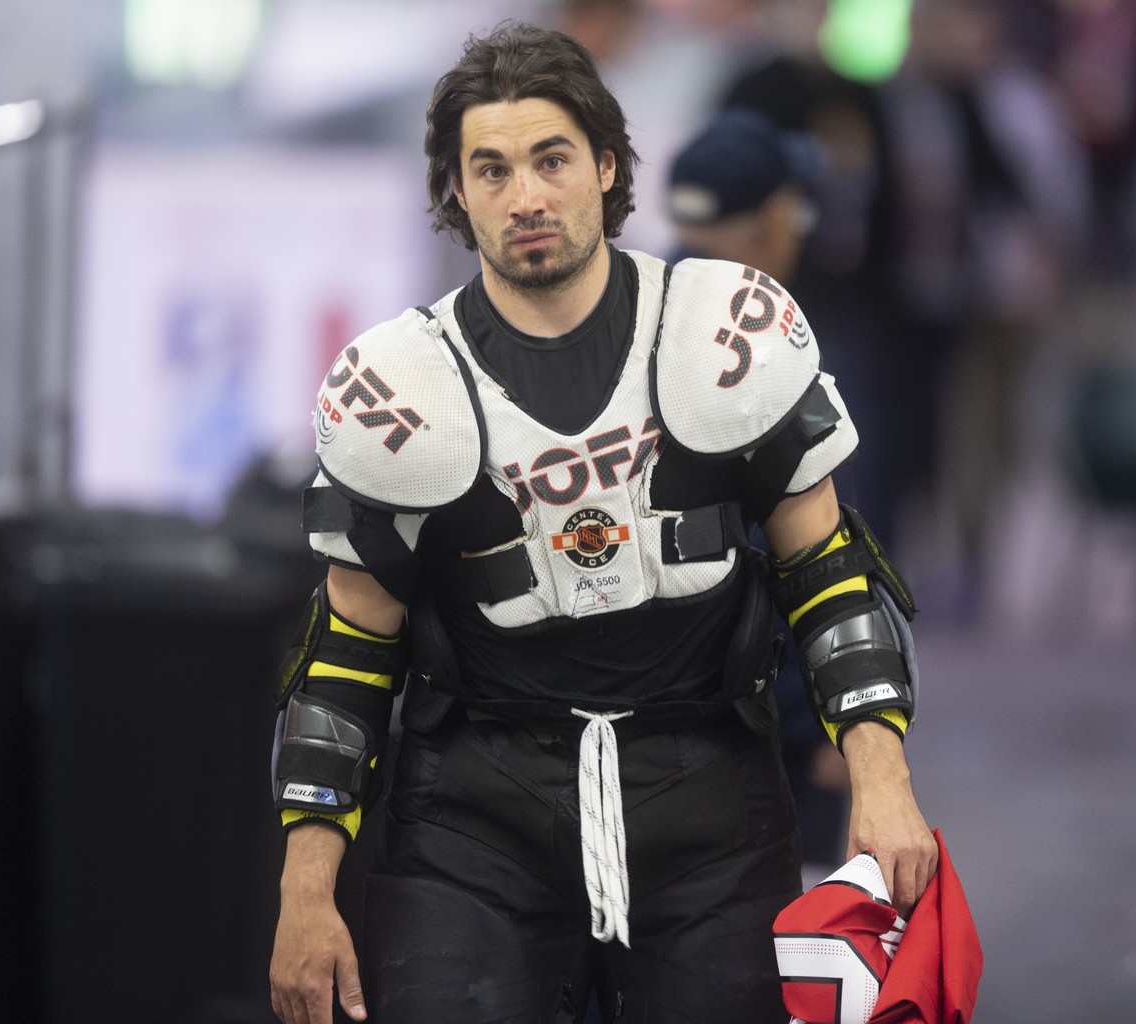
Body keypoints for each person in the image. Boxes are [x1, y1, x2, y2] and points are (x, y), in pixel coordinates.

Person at [268, 22, 938, 1024]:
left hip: (708, 800)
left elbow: (832, 574)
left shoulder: (723, 333)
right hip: (472, 818)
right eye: (489, 169)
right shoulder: (403, 390)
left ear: (607, 167)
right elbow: (346, 660)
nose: (525, 196)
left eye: (551, 160)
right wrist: (305, 889)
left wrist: (883, 779)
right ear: (455, 193)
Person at [665, 106, 853, 884]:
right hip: (770, 732)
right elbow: (813, 558)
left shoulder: (623, 334)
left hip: (649, 735)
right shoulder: (779, 356)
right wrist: (841, 724)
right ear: (774, 221)